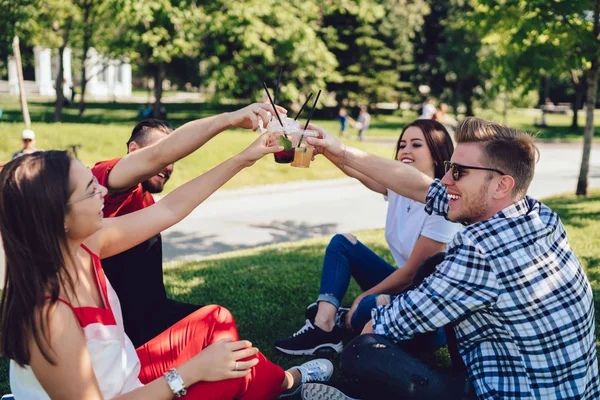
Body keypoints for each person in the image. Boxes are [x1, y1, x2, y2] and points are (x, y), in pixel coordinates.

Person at [0, 138, 333, 399]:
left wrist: (245, 157)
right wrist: (190, 373)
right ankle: (287, 382)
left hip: (129, 378)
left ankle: (282, 383)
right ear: (58, 219)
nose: (103, 190)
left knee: (216, 320)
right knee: (239, 372)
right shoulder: (49, 318)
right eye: (90, 190)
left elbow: (172, 207)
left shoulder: (85, 244)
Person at [302, 117, 599, 399]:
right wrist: (338, 150)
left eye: (459, 172)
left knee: (361, 352)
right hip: (571, 389)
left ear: (501, 185)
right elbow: (420, 185)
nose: (444, 180)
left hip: (514, 392)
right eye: (448, 167)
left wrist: (364, 314)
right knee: (432, 268)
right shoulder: (539, 214)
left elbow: (384, 325)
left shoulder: (480, 249)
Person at [91, 103, 282, 348]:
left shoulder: (146, 199)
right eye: (168, 154)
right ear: (133, 150)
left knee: (221, 329)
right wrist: (229, 119)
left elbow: (173, 207)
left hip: (149, 318)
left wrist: (244, 158)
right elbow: (159, 156)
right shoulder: (104, 183)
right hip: (117, 335)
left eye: (174, 159)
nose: (169, 165)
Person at [274, 120, 461, 357]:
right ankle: (324, 327)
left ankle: (341, 316)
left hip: (430, 309)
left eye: (416, 145)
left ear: (436, 155)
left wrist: (364, 295)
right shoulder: (398, 189)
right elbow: (359, 169)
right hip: (406, 292)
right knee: (343, 243)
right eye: (402, 144)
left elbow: (413, 273)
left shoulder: (445, 207)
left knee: (366, 307)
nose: (405, 150)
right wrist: (324, 148)